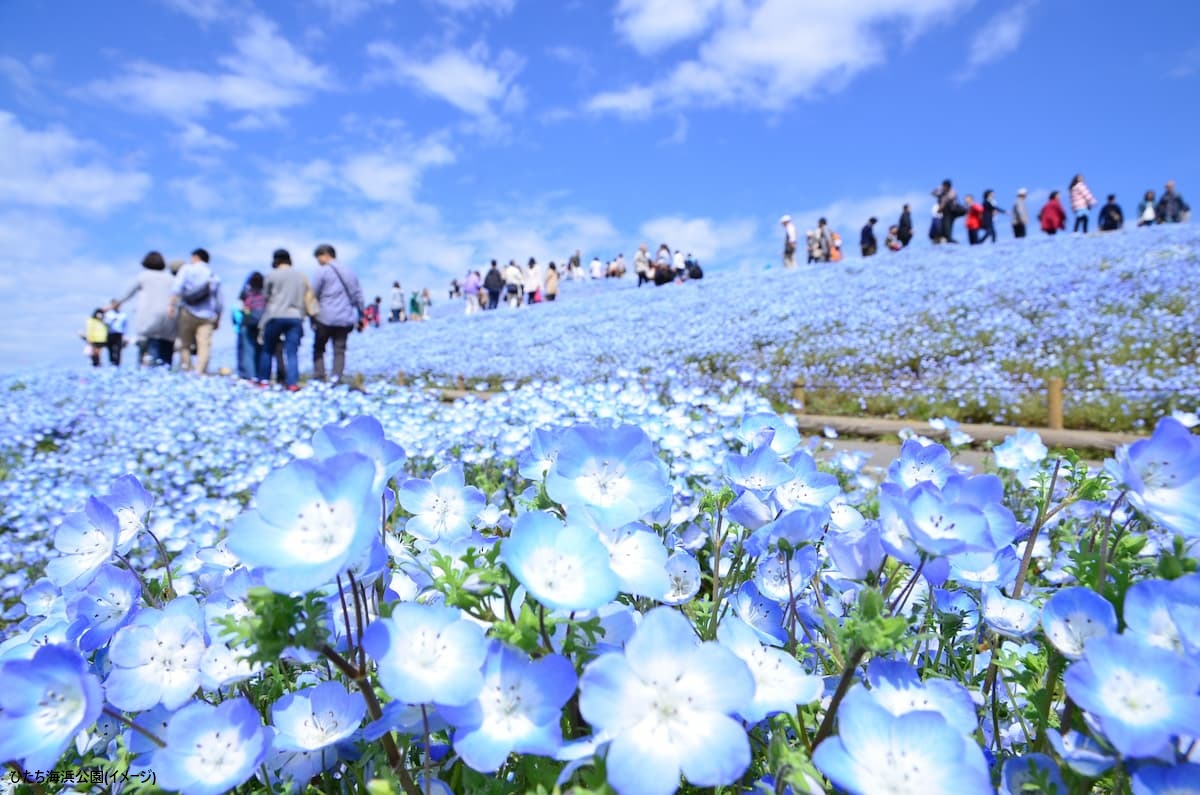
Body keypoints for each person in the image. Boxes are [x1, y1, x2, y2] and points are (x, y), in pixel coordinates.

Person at [309, 243, 364, 384]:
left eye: (318, 257)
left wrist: (311, 315)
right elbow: (358, 295)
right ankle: (336, 378)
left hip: (325, 317)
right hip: (345, 318)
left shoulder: (322, 271)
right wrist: (361, 314)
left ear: (325, 255)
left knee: (319, 348)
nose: (318, 261)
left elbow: (313, 294)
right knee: (339, 350)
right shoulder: (350, 272)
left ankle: (319, 378)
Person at [117, 251, 176, 367]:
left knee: (153, 348)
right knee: (167, 349)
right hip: (169, 317)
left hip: (150, 317)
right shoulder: (170, 278)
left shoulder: (143, 276)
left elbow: (128, 294)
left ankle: (154, 375)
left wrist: (114, 304)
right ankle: (166, 373)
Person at [258, 249, 307, 391]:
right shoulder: (300, 276)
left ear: (276, 260)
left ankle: (264, 381)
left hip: (275, 315)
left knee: (267, 349)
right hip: (295, 316)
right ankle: (292, 383)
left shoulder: (271, 275)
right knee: (292, 352)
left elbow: (265, 296)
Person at [169, 248, 222, 374]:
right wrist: (218, 318)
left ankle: (187, 370)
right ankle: (200, 372)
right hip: (207, 315)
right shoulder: (213, 275)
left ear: (196, 257)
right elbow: (219, 301)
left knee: (185, 344)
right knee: (204, 345)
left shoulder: (187, 269)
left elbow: (176, 288)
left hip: (187, 311)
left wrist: (171, 305)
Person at [237, 272, 266, 381]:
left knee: (248, 351)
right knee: (261, 351)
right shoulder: (265, 293)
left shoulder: (246, 292)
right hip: (262, 324)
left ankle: (250, 377)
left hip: (247, 322)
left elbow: (239, 307)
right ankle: (260, 376)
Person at [103, 300, 128, 366]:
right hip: (110, 333)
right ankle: (112, 363)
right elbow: (105, 323)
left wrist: (124, 336)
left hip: (119, 334)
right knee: (110, 349)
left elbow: (125, 326)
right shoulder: (108, 314)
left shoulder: (123, 315)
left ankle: (117, 364)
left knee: (119, 349)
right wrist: (112, 320)